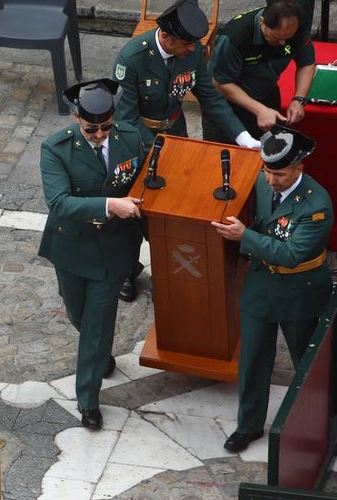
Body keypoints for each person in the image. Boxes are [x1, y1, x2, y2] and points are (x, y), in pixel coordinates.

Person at [112, 0, 262, 303]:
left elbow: (211, 98)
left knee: (176, 204)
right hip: (139, 140)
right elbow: (125, 119)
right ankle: (126, 270)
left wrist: (243, 137)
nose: (193, 50)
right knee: (136, 210)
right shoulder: (133, 58)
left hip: (175, 134)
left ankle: (170, 269)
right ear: (167, 38)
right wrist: (159, 151)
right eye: (187, 44)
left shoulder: (190, 57)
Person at [210, 127, 334, 453]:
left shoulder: (316, 205)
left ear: (298, 169)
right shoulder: (264, 185)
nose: (271, 179)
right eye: (267, 170)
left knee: (309, 366)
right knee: (252, 360)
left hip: (300, 292)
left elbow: (292, 255)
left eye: (278, 173)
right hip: (262, 285)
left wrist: (244, 238)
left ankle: (323, 427)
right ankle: (248, 426)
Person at [39, 80, 148, 431]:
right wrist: (108, 205)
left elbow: (149, 180)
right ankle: (100, 355)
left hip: (115, 249)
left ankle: (88, 400)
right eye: (91, 129)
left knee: (96, 326)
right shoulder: (56, 149)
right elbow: (59, 204)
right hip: (73, 247)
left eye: (105, 127)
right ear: (75, 118)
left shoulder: (131, 139)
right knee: (78, 314)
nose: (99, 135)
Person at [205, 0, 315, 144]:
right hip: (227, 106)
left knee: (270, 154)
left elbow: (306, 63)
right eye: (276, 38)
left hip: (266, 95)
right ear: (262, 22)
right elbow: (220, 82)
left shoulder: (297, 28)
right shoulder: (235, 37)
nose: (282, 43)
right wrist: (259, 110)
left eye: (287, 39)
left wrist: (299, 99)